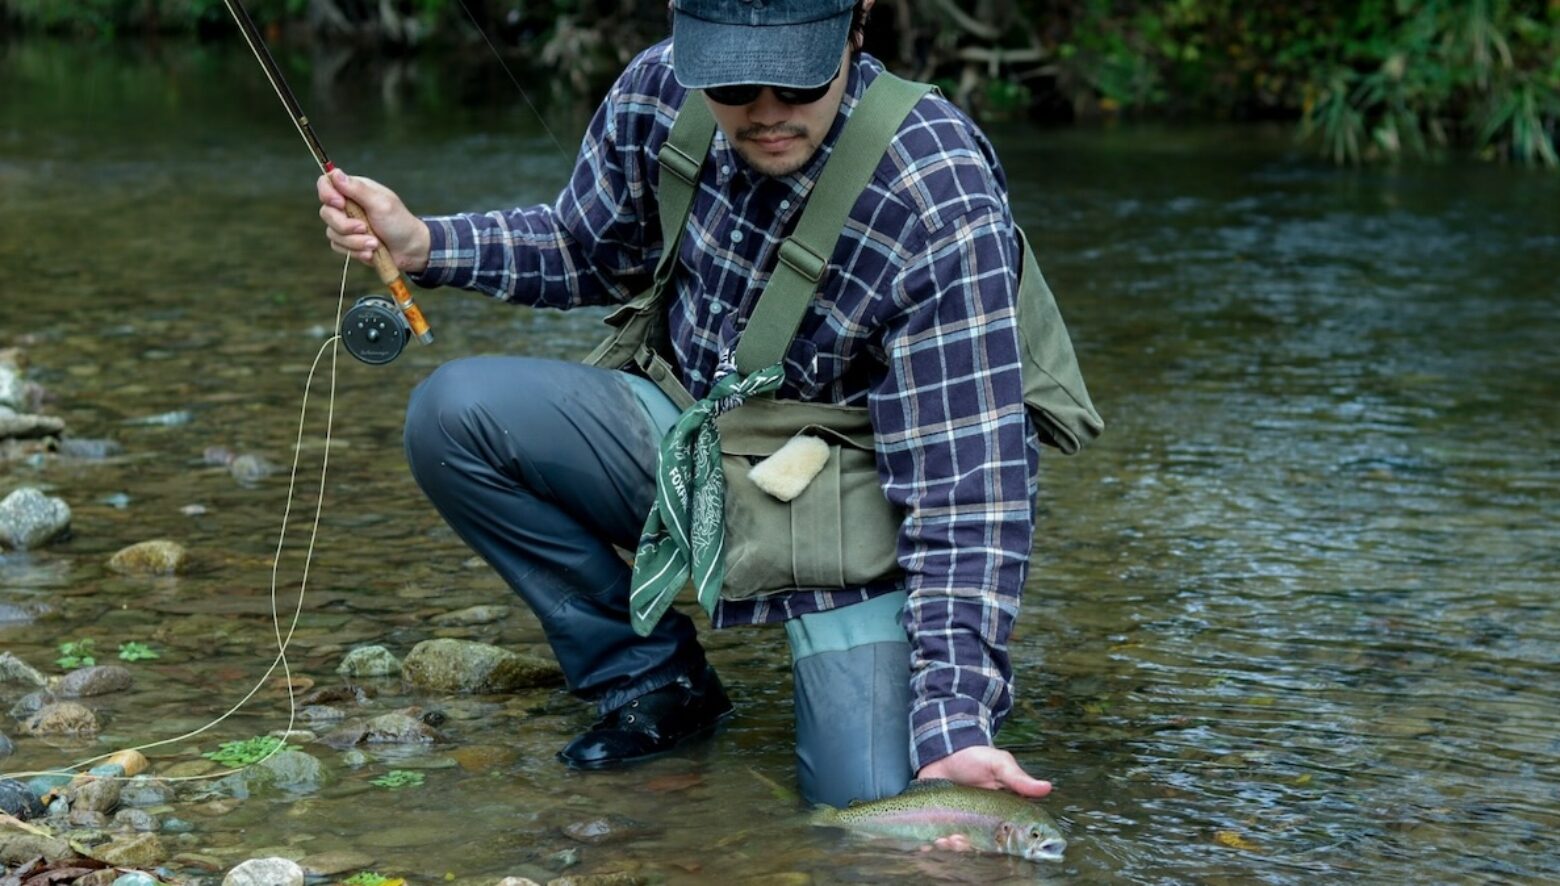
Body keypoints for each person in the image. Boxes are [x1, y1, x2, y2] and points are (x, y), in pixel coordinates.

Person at [317, 0, 1094, 812]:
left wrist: (956, 719)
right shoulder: (660, 87)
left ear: (856, 29)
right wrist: (424, 246)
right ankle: (652, 679)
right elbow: (588, 248)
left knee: (877, 816)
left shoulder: (936, 193)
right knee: (456, 416)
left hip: (857, 519)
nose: (763, 111)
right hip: (692, 437)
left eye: (796, 81)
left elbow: (968, 491)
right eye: (731, 81)